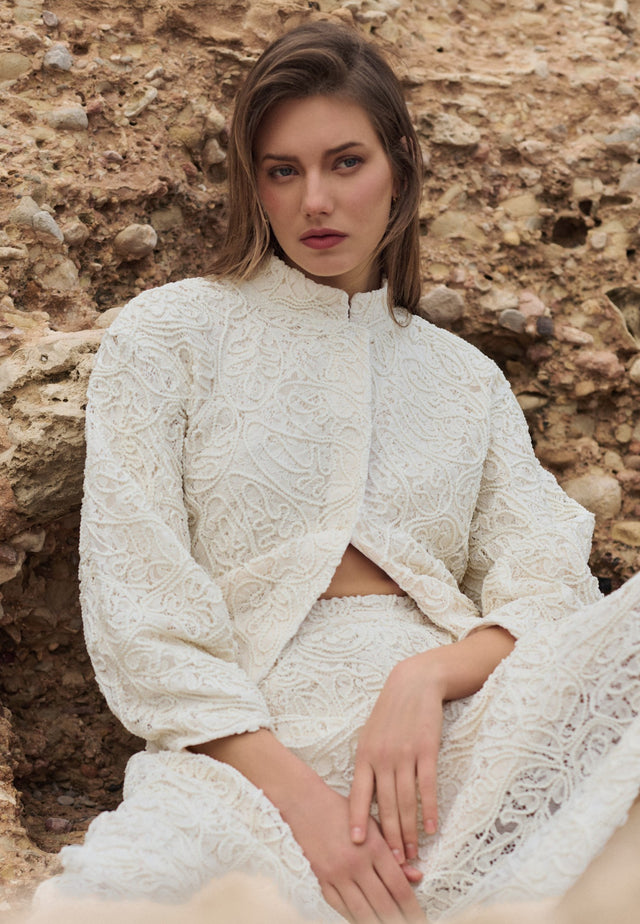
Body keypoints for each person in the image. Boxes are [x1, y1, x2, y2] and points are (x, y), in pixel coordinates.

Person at [36, 19, 640, 924]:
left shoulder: (464, 378)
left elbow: (550, 586)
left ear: (400, 166)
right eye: (283, 170)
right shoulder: (168, 336)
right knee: (115, 903)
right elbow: (141, 612)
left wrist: (428, 677)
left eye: (346, 162)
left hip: (467, 732)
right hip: (247, 758)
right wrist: (309, 811)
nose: (315, 200)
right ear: (254, 186)